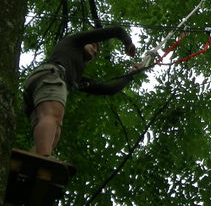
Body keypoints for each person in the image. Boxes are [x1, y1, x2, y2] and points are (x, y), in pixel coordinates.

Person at [23, 26, 138, 156]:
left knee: (55, 132)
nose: (95, 51)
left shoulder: (74, 76)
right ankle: (43, 158)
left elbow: (109, 89)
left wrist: (131, 75)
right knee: (53, 116)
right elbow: (117, 30)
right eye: (93, 46)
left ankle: (35, 160)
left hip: (38, 87)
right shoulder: (74, 41)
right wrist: (128, 42)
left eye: (97, 52)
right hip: (51, 75)